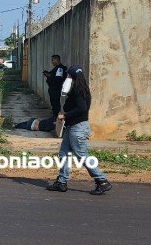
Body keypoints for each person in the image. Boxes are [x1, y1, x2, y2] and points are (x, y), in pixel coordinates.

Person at [46, 66, 113, 195]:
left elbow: (81, 109)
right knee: (63, 154)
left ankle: (102, 180)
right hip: (72, 127)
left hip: (78, 127)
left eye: (68, 76)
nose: (67, 78)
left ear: (72, 77)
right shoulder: (79, 89)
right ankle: (61, 182)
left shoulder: (78, 91)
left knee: (81, 156)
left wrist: (65, 115)